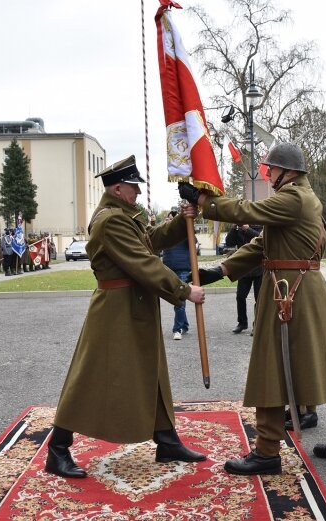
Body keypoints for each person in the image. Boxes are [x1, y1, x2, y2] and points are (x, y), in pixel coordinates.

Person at [180, 142, 326, 476]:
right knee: (324, 366)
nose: (268, 174)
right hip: (297, 288)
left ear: (288, 171)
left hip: (292, 290)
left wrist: (203, 201)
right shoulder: (298, 198)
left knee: (271, 369)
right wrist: (222, 270)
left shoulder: (294, 198)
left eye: (271, 169)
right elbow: (263, 244)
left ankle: (267, 451)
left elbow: (246, 212)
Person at [47, 155, 207, 479]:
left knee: (154, 372)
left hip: (133, 305)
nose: (137, 192)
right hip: (115, 312)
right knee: (88, 379)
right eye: (133, 187)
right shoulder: (111, 221)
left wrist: (185, 217)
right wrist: (183, 290)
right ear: (118, 188)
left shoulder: (123, 215)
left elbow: (152, 241)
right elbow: (143, 263)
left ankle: (166, 440)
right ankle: (57, 449)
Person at [224, 223, 263, 334]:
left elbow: (261, 239)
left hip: (259, 269)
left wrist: (248, 229)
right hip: (244, 269)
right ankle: (242, 323)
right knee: (240, 297)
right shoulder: (238, 230)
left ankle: (257, 325)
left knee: (259, 298)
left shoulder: (260, 225)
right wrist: (233, 228)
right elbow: (229, 242)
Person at [161, 210, 191, 340]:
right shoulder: (165, 234)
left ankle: (177, 329)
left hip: (183, 269)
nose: (170, 221)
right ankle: (184, 324)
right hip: (169, 270)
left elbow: (192, 244)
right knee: (177, 299)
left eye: (172, 219)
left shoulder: (184, 232)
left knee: (179, 299)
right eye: (168, 219)